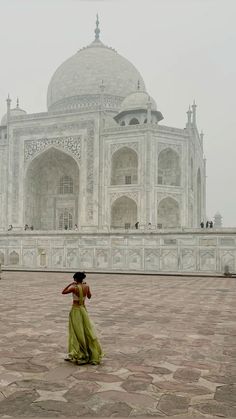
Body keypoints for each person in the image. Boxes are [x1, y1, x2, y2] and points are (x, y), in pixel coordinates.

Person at [62, 271, 103, 365]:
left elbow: (63, 292)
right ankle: (89, 352)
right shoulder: (87, 286)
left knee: (77, 332)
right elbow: (89, 296)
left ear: (75, 279)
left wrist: (70, 284)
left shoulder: (74, 287)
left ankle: (80, 353)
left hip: (76, 311)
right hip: (83, 310)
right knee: (86, 330)